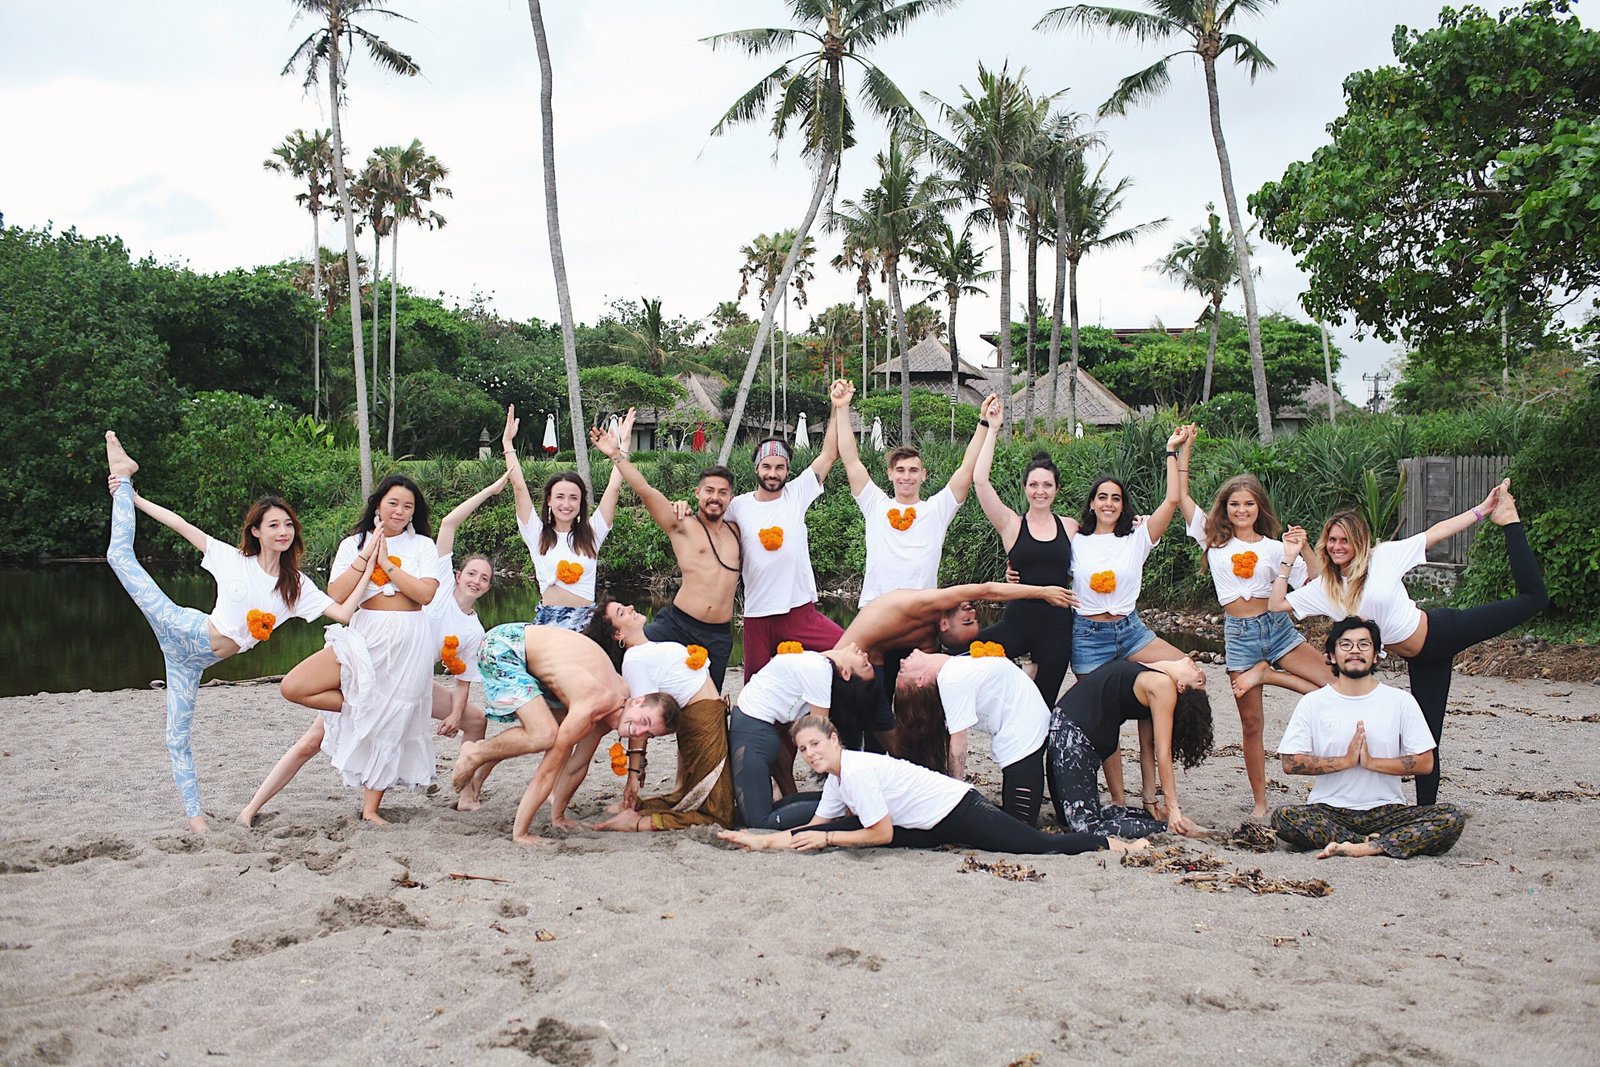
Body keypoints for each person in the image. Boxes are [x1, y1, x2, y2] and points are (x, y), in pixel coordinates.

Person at [102, 432, 367, 832]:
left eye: (288, 524)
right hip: (180, 627)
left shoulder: (296, 588)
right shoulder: (232, 559)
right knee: (117, 556)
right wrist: (133, 498)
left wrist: (369, 560)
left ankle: (196, 821)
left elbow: (345, 613)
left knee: (177, 737)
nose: (284, 531)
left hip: (192, 662)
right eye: (273, 524)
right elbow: (181, 525)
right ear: (256, 531)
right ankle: (122, 476)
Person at [238, 475, 502, 825]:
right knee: (295, 688)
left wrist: (389, 563)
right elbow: (337, 593)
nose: (400, 511)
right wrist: (368, 554)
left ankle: (371, 809)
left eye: (408, 506)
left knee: (389, 727)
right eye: (393, 503)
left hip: (409, 640)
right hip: (365, 636)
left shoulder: (422, 546)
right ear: (378, 504)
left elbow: (423, 595)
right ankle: (251, 808)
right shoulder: (353, 544)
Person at [1272, 478, 1548, 806]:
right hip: (1422, 661)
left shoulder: (1384, 557)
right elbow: (1277, 604)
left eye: (1345, 539)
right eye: (1332, 540)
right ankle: (1424, 812)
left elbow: (1438, 532)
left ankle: (1510, 520)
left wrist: (1482, 511)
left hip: (1443, 630)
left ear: (1359, 541)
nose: (1337, 546)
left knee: (1535, 599)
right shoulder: (1327, 589)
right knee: (1427, 741)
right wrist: (1289, 557)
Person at [718, 716, 1146, 856]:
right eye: (803, 749)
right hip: (929, 826)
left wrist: (828, 836)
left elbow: (878, 833)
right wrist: (760, 842)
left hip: (956, 807)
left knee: (1035, 845)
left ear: (835, 740)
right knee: (853, 834)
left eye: (815, 744)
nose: (810, 754)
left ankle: (1113, 844)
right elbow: (814, 825)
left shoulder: (858, 770)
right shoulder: (837, 778)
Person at [1177, 435, 1332, 818]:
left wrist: (1305, 547)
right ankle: (1261, 803)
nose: (1242, 509)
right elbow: (1179, 495)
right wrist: (1184, 448)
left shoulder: (1276, 548)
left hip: (1279, 630)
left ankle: (1267, 675)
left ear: (1258, 507)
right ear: (1225, 509)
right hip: (1240, 636)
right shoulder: (1212, 541)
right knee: (1251, 725)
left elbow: (1315, 586)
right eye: (1234, 504)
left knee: (1333, 687)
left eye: (1249, 504)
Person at [1068, 424, 1197, 808]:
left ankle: (1151, 794)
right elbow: (1037, 553)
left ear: (1124, 506)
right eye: (1102, 497)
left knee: (1186, 672)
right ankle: (1120, 802)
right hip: (1088, 638)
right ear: (1092, 503)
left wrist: (1172, 451)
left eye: (1116, 499)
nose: (1109, 503)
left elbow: (1173, 500)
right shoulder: (1075, 541)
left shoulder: (1137, 538)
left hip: (1131, 633)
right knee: (1106, 723)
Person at [455, 622, 678, 844]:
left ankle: (474, 778)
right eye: (644, 721)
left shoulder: (612, 712)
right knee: (544, 734)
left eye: (649, 734)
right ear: (638, 701)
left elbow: (577, 765)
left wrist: (558, 816)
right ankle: (474, 752)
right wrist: (521, 833)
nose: (639, 731)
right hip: (505, 646)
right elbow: (546, 773)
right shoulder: (594, 705)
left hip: (538, 658)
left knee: (553, 730)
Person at [1273, 618, 1467, 859]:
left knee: (1451, 816)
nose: (1355, 650)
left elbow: (1426, 762)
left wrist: (1372, 763)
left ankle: (1360, 846)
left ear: (1376, 655)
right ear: (1332, 656)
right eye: (1345, 644)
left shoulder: (1401, 701)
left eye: (1364, 644)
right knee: (1284, 817)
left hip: (1387, 811)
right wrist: (1345, 761)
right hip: (1328, 810)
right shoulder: (1313, 703)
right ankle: (1371, 845)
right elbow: (1290, 762)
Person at [834, 580, 1077, 751]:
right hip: (849, 660)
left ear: (944, 628)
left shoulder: (927, 641)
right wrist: (1043, 592)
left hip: (874, 664)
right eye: (970, 619)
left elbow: (934, 686)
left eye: (969, 620)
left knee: (891, 731)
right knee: (856, 732)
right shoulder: (929, 603)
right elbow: (988, 590)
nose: (971, 610)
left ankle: (910, 773)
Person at [587, 425, 742, 689]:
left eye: (722, 492)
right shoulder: (682, 525)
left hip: (718, 634)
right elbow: (646, 490)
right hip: (677, 625)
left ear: (731, 497)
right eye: (709, 491)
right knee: (621, 655)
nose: (715, 497)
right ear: (697, 493)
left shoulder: (739, 530)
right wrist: (616, 455)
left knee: (707, 707)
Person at [726, 382, 845, 681]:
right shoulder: (737, 506)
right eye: (767, 466)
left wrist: (836, 406)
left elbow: (829, 454)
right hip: (757, 614)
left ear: (788, 469)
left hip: (799, 610)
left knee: (847, 651)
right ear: (756, 469)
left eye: (780, 467)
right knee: (755, 684)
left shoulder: (797, 493)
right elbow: (708, 525)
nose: (773, 473)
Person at [582, 600, 734, 832]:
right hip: (700, 722)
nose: (631, 608)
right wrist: (633, 777)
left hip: (706, 719)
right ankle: (638, 821)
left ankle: (638, 810)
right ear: (618, 634)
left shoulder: (649, 648)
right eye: (621, 612)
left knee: (695, 796)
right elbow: (640, 718)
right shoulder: (634, 660)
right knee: (719, 814)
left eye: (625, 605)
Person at [835, 379, 986, 606]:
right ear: (890, 474)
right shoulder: (875, 504)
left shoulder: (937, 509)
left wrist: (984, 423)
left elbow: (967, 468)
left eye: (913, 470)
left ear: (923, 475)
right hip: (876, 608)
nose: (907, 476)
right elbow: (850, 459)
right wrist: (842, 407)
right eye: (901, 470)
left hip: (921, 610)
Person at [970, 395, 1076, 704]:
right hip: (1017, 622)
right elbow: (980, 481)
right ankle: (1020, 674)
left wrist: (1139, 525)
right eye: (1034, 485)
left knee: (1043, 703)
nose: (1040, 491)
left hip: (1057, 626)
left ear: (1056, 489)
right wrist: (992, 429)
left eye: (1047, 485)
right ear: (1025, 488)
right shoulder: (1011, 525)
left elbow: (1106, 546)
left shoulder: (1070, 527)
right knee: (963, 650)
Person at [1048, 658, 1214, 839]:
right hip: (1070, 734)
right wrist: (1167, 809)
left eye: (1200, 681)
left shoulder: (1162, 685)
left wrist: (1159, 805)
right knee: (1079, 822)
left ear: (1181, 687)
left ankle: (1172, 826)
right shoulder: (1153, 674)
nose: (1200, 672)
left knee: (1084, 825)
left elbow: (1155, 750)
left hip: (1073, 735)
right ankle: (1169, 827)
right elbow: (1151, 750)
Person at [504, 405, 634, 631]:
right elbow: (519, 487)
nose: (566, 504)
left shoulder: (592, 533)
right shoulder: (536, 533)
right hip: (549, 622)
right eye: (560, 497)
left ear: (581, 503)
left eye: (573, 498)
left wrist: (624, 446)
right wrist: (507, 444)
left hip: (586, 623)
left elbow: (614, 488)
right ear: (549, 502)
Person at [892, 651, 1053, 826]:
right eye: (902, 672)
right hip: (1022, 738)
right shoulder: (951, 678)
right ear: (920, 680)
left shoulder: (954, 667)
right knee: (1020, 823)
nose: (901, 661)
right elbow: (958, 742)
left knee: (1020, 822)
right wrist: (955, 794)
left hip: (1026, 732)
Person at [725, 644, 876, 829]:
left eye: (865, 665)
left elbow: (818, 736)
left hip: (753, 733)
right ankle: (848, 801)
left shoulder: (819, 670)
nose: (866, 655)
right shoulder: (819, 664)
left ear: (846, 673)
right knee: (763, 810)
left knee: (759, 821)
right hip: (756, 729)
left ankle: (851, 804)